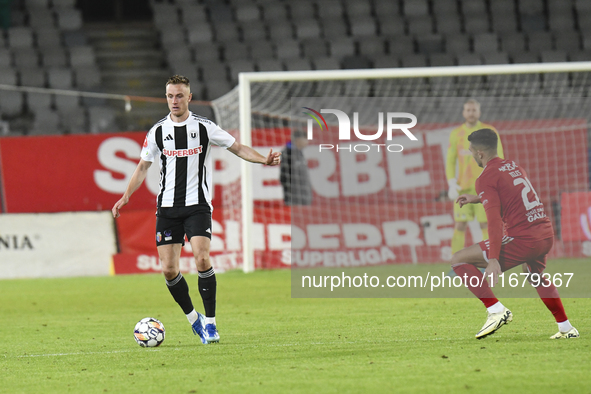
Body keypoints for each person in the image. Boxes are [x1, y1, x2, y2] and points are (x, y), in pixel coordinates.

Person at [112, 75, 281, 345]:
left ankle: (211, 324)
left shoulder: (205, 127)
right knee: (168, 269)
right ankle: (195, 320)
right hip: (167, 208)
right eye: (170, 96)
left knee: (202, 260)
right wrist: (125, 196)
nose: (174, 101)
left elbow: (237, 147)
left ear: (189, 97)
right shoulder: (157, 131)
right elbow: (143, 166)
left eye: (179, 96)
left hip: (198, 205)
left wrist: (263, 160)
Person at [452, 128, 579, 340]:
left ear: (479, 153)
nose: (472, 155)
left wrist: (493, 259)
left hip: (524, 239)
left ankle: (496, 310)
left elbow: (493, 221)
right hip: (545, 234)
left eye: (471, 151)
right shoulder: (513, 166)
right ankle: (566, 328)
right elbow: (511, 193)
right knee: (535, 276)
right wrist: (478, 198)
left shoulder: (485, 178)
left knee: (458, 260)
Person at [446, 99, 504, 255]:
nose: (471, 113)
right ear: (463, 112)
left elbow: (499, 157)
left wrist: (497, 181)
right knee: (460, 224)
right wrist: (451, 182)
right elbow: (450, 160)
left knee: (486, 224)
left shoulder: (489, 131)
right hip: (463, 187)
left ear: (479, 112)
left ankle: (489, 259)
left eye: (474, 110)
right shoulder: (456, 134)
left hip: (485, 187)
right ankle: (455, 263)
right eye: (468, 110)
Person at [280, 129, 312, 206]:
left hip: (302, 194)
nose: (307, 142)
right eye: (305, 139)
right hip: (294, 196)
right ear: (298, 139)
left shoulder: (299, 152)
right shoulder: (288, 152)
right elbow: (285, 175)